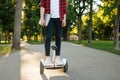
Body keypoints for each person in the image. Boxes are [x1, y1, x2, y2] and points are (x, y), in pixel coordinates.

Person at [39, 0, 67, 66]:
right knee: (48, 37)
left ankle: (57, 57)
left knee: (58, 37)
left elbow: (64, 9)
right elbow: (42, 7)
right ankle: (47, 58)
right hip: (49, 17)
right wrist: (42, 18)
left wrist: (64, 19)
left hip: (59, 18)